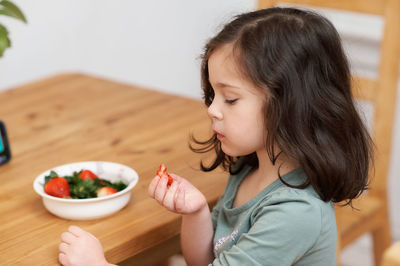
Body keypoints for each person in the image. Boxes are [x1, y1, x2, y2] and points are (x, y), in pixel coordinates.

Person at [58, 7, 373, 266]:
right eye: (213, 95)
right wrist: (196, 213)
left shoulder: (296, 212)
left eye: (230, 99)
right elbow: (206, 260)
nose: (211, 109)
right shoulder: (251, 169)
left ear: (289, 105)